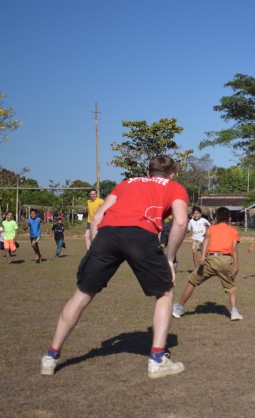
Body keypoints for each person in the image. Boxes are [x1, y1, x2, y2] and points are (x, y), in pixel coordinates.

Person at [40, 156, 189, 379]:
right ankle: (158, 360)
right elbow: (180, 222)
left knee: (82, 294)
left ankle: (51, 356)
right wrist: (169, 259)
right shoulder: (175, 187)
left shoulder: (127, 183)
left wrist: (94, 249)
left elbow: (98, 216)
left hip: (107, 234)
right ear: (172, 175)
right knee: (165, 292)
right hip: (141, 234)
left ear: (147, 173)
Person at [173, 207, 242, 321]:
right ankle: (234, 311)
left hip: (211, 260)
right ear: (229, 219)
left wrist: (203, 255)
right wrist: (236, 266)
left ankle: (179, 308)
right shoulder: (234, 231)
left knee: (192, 281)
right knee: (231, 287)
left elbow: (206, 240)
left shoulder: (211, 228)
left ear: (215, 218)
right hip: (226, 260)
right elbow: (234, 248)